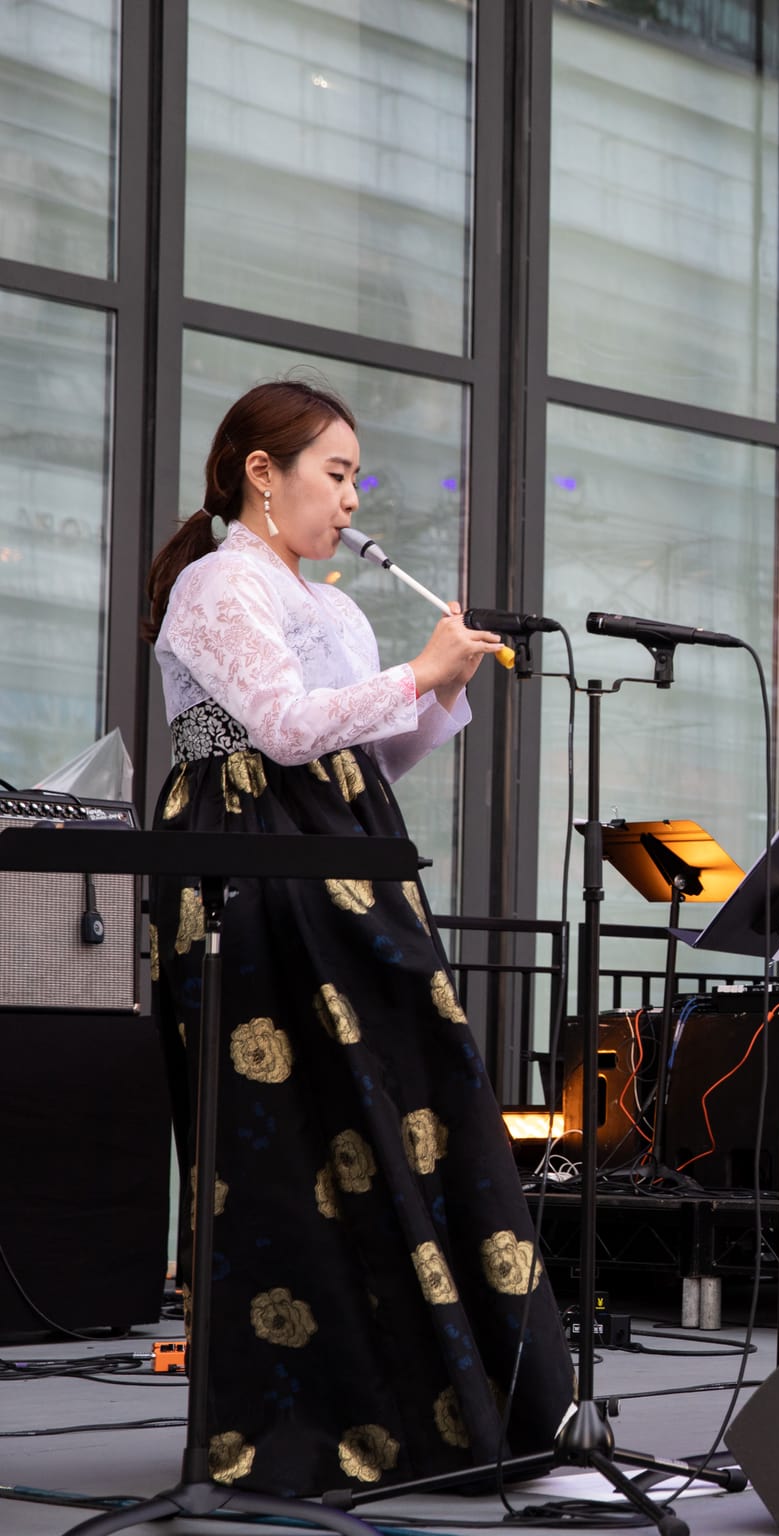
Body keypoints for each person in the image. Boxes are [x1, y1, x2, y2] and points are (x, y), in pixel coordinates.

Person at [143, 379, 573, 1496]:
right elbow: (278, 731)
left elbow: (368, 761)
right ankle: (313, 1413)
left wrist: (435, 693)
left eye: (353, 479)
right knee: (293, 1129)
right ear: (260, 473)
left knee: (410, 1101)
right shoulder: (215, 582)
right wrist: (415, 673)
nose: (348, 500)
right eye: (334, 475)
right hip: (252, 857)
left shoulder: (327, 604)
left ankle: (437, 1402)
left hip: (341, 845)